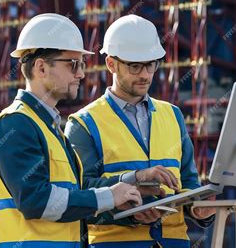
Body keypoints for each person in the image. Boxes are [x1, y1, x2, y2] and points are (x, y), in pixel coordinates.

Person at [0, 13, 142, 248]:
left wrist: (124, 195)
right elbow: (36, 200)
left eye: (82, 64)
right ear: (41, 67)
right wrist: (110, 196)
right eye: (73, 64)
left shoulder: (51, 129)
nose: (80, 74)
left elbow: (72, 200)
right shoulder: (15, 123)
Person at [65, 14, 216, 248]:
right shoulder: (84, 123)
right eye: (135, 66)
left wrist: (199, 209)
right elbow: (79, 196)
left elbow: (188, 181)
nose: (145, 75)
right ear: (111, 64)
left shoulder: (172, 115)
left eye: (151, 64)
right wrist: (130, 213)